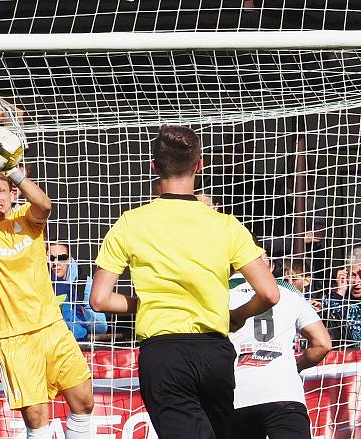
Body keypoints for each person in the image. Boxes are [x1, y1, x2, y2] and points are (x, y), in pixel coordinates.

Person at [90, 125, 280, 439]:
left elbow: (99, 300)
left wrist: (147, 302)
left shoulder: (130, 223)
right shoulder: (225, 225)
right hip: (214, 352)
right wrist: (238, 314)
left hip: (163, 353)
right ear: (199, 165)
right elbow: (270, 293)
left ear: (153, 168)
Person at [0, 164, 94, 438]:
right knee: (37, 418)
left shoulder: (28, 217)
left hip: (52, 328)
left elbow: (44, 205)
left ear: (13, 193)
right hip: (14, 338)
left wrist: (16, 174)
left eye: (1, 191)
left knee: (84, 400)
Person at [229, 252, 332, 439]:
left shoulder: (219, 293)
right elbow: (323, 344)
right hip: (284, 393)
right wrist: (295, 366)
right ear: (264, 264)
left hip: (236, 395)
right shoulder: (287, 291)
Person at [48, 242, 107, 340]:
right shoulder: (41, 283)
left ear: (70, 260)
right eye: (51, 258)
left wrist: (79, 312)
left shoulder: (85, 284)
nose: (55, 263)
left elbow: (101, 327)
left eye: (61, 258)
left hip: (80, 344)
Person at [321, 246, 361, 345]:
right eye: (352, 275)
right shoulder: (337, 299)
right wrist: (339, 292)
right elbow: (330, 326)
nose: (356, 282)